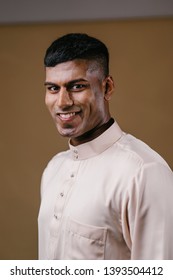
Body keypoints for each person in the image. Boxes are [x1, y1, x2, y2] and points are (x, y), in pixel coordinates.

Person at [38, 33, 173, 260]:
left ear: (107, 87)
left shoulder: (144, 172)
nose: (62, 102)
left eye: (77, 86)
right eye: (53, 88)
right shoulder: (54, 169)